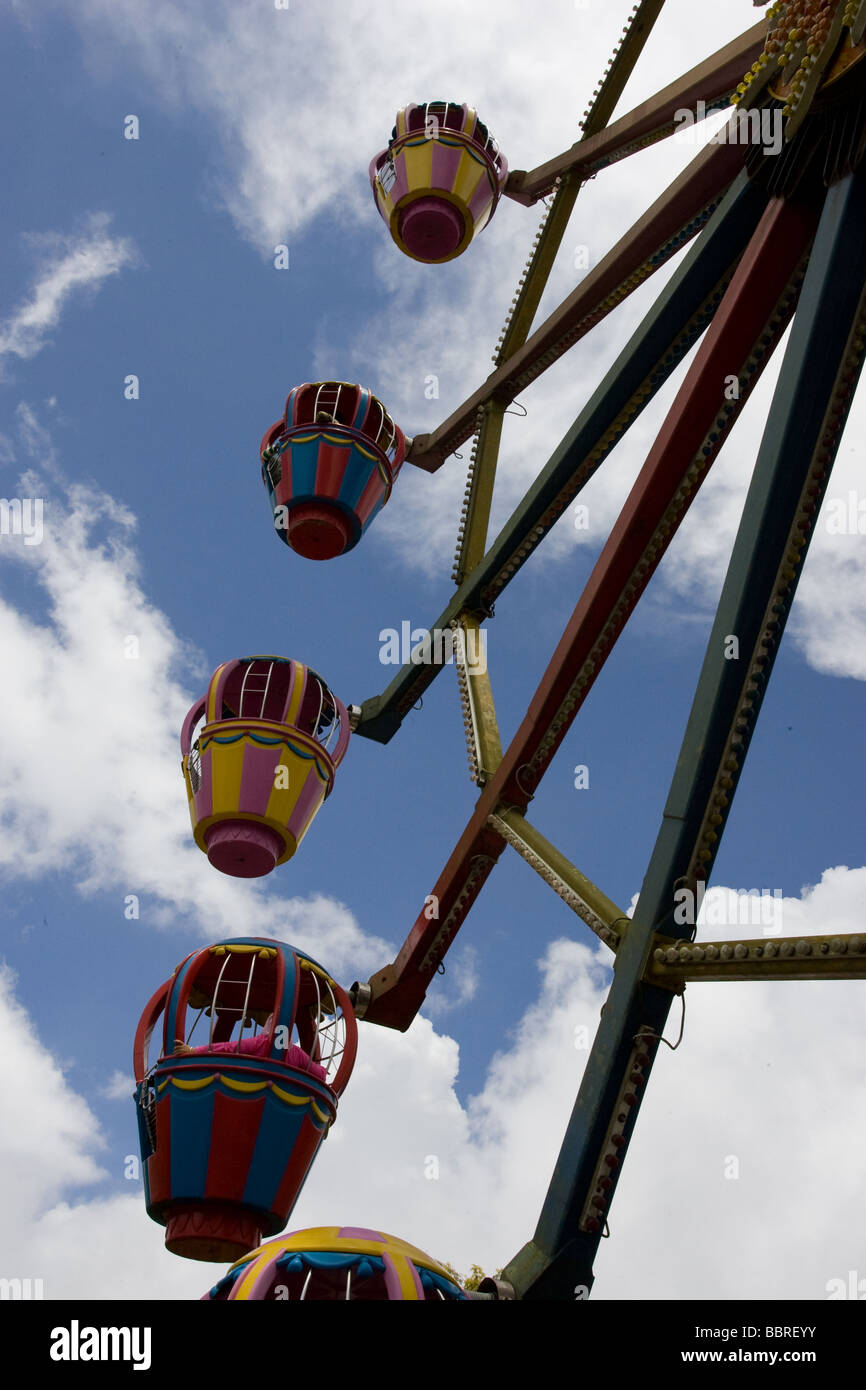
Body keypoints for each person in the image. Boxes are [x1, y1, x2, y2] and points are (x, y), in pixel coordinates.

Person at [173, 1013, 326, 1080]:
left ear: (269, 1024)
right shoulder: (296, 1053)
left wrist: (194, 1050)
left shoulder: (262, 1042)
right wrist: (323, 1072)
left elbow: (228, 1048)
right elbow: (318, 1072)